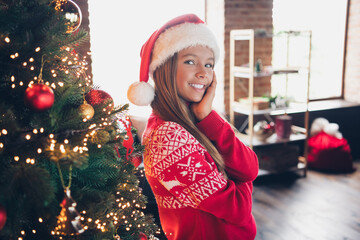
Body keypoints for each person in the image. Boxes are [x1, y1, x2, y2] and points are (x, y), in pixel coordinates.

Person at [127, 14, 259, 240]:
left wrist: (207, 117)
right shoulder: (167, 137)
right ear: (164, 68)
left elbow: (250, 167)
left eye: (209, 64)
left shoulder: (197, 120)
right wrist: (240, 179)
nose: (203, 72)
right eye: (190, 61)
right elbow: (239, 208)